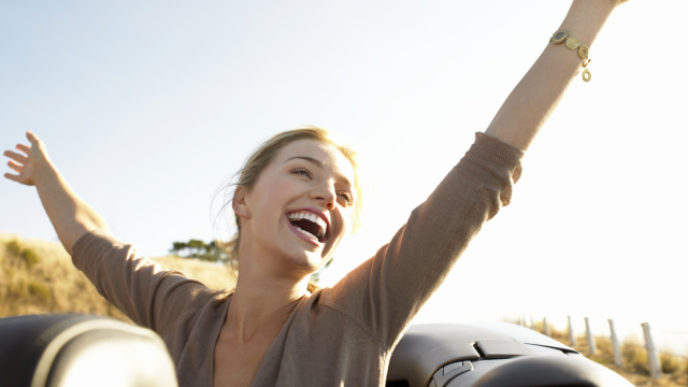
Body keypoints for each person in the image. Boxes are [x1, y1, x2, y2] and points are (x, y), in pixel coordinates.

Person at [3, 1, 628, 386]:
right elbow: (94, 243)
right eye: (303, 172)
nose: (328, 195)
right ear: (243, 200)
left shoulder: (361, 314)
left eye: (345, 195)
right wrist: (46, 179)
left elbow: (483, 174)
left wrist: (587, 15)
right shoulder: (180, 313)